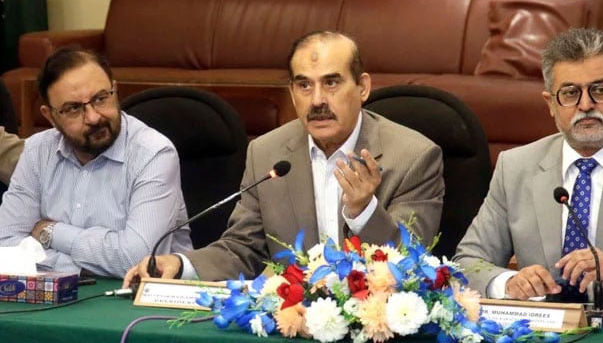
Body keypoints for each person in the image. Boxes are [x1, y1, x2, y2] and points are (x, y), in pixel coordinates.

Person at [123, 31, 445, 285]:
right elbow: (241, 248)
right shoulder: (266, 152)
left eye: (331, 82)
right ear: (291, 93)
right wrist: (181, 265)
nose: (317, 100)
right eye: (304, 85)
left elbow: (413, 262)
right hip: (289, 322)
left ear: (362, 87)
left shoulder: (413, 156)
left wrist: (364, 212)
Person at [454, 28, 603, 311]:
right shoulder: (516, 166)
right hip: (542, 327)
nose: (585, 105)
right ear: (550, 104)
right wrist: (508, 283)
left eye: (599, 90)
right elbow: (467, 262)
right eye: (570, 93)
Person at [0, 47, 192, 277]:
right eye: (73, 108)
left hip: (143, 300)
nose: (93, 117)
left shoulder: (153, 153)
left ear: (115, 90)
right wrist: (82, 267)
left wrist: (50, 232)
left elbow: (137, 258)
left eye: (101, 99)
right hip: (58, 299)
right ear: (50, 116)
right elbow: (6, 244)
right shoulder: (37, 151)